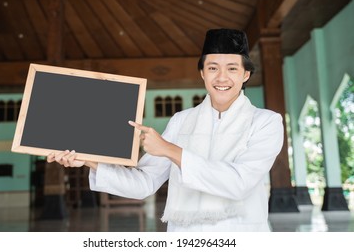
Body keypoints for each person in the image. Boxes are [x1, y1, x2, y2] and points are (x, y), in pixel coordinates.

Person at [47, 28, 284, 232]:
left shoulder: (265, 122)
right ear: (202, 73)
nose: (221, 77)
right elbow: (143, 184)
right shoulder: (181, 121)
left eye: (232, 69)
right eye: (213, 68)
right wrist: (90, 160)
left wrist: (170, 150)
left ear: (245, 74)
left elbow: (239, 183)